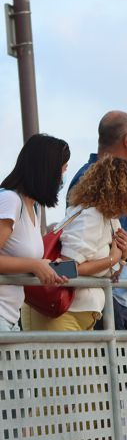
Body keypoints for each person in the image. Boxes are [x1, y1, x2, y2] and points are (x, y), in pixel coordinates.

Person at [23, 157, 127, 331]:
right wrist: (112, 258)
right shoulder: (90, 216)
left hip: (78, 314)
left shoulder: (109, 219)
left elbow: (112, 276)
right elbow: (65, 268)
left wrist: (124, 258)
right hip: (62, 315)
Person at [65, 111, 127, 330]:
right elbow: (69, 264)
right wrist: (113, 260)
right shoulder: (93, 181)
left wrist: (123, 258)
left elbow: (118, 244)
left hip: (123, 293)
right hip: (105, 296)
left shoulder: (117, 180)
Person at [0, 134, 70, 331]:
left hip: (11, 317)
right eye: (62, 170)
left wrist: (44, 266)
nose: (63, 177)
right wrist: (34, 265)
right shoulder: (10, 201)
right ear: (46, 170)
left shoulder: (35, 208)